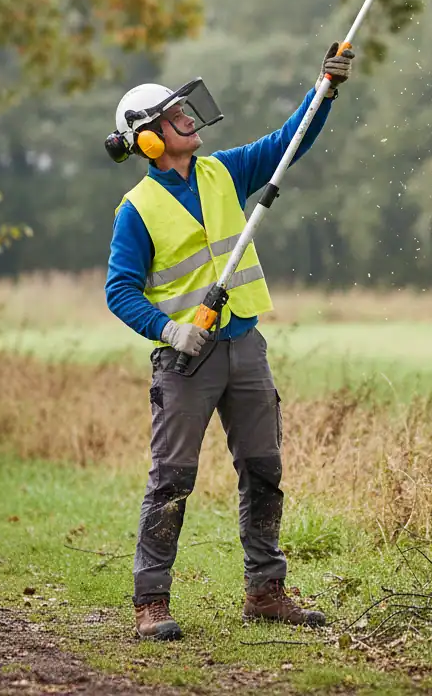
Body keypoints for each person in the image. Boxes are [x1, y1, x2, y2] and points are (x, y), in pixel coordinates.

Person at [104, 43, 354, 641]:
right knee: (172, 478)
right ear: (147, 139)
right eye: (174, 116)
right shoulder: (136, 209)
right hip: (185, 363)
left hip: (245, 346)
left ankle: (266, 591)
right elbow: (120, 291)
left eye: (186, 111)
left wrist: (325, 86)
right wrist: (171, 329)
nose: (188, 118)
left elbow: (289, 142)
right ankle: (151, 602)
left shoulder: (223, 171)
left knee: (264, 469)